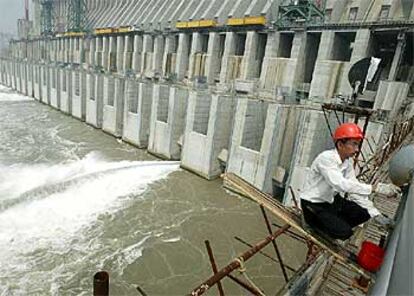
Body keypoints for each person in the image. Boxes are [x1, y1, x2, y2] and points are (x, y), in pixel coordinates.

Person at [300, 123, 401, 241]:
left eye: (358, 145)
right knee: (345, 233)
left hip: (331, 201)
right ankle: (314, 226)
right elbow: (340, 184)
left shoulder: (347, 163)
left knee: (363, 214)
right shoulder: (326, 159)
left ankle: (330, 225)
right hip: (313, 204)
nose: (357, 150)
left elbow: (354, 189)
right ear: (340, 144)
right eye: (354, 144)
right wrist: (376, 188)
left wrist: (375, 214)